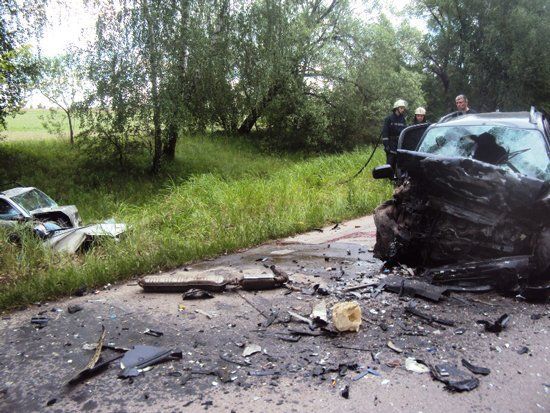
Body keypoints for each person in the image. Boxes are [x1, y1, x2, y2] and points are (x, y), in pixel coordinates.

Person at [382, 99, 407, 169]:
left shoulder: (403, 119)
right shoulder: (389, 119)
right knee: (390, 163)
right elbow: (385, 133)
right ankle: (388, 178)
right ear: (396, 108)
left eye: (403, 108)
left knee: (398, 163)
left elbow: (405, 131)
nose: (403, 110)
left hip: (399, 144)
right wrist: (386, 145)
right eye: (401, 108)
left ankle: (397, 178)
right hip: (391, 144)